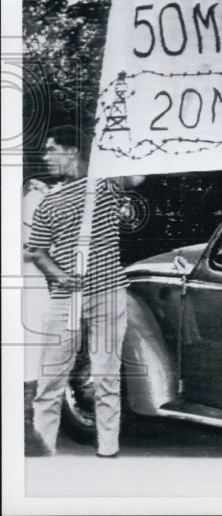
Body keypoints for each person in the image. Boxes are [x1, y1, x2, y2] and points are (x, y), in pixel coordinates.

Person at [24, 126, 141, 458]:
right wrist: (60, 276)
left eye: (51, 149)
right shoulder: (48, 202)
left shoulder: (104, 186)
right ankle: (42, 453)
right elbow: (36, 251)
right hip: (67, 299)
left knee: (106, 376)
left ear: (72, 151)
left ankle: (108, 451)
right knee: (50, 380)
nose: (46, 157)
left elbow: (137, 176)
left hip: (108, 292)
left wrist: (118, 142)